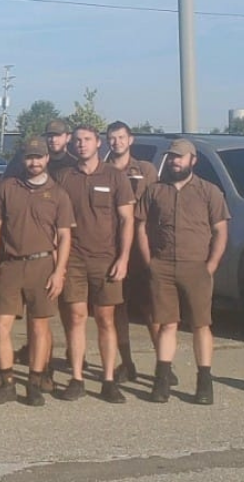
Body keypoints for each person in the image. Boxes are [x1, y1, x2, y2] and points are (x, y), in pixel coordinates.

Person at [135, 139, 229, 404]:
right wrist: (149, 261)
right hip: (162, 266)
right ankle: (162, 380)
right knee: (167, 324)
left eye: (179, 157)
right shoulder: (155, 191)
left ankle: (204, 382)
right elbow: (140, 227)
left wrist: (210, 265)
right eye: (172, 157)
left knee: (201, 324)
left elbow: (221, 230)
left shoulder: (210, 192)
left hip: (196, 266)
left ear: (192, 160)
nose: (174, 161)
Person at [0, 137, 73, 406]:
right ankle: (7, 381)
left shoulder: (58, 194)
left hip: (42, 265)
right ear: (23, 160)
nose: (33, 162)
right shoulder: (8, 187)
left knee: (39, 327)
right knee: (1, 325)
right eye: (29, 157)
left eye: (38, 157)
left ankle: (34, 382)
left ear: (47, 159)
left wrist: (59, 272)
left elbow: (65, 236)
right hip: (10, 264)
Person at [53, 125, 135, 403]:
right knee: (75, 318)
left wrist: (123, 258)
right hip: (73, 259)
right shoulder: (64, 177)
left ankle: (109, 380)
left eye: (87, 139)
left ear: (98, 143)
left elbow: (127, 220)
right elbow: (56, 223)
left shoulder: (115, 177)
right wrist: (58, 264)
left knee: (105, 319)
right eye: (77, 140)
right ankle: (77, 377)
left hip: (107, 259)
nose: (81, 145)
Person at [104, 121, 160, 384]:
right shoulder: (101, 171)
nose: (116, 142)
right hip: (109, 249)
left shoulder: (146, 170)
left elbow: (156, 208)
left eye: (121, 137)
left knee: (152, 309)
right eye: (112, 138)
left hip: (141, 250)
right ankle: (127, 364)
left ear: (131, 140)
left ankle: (164, 364)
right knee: (118, 310)